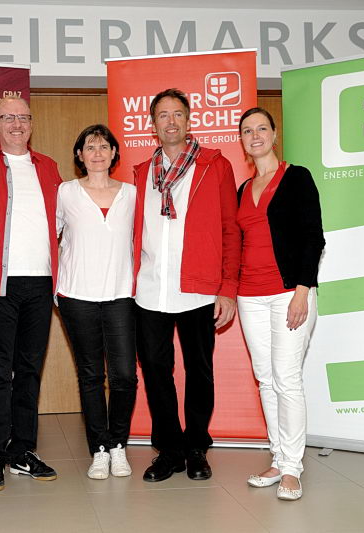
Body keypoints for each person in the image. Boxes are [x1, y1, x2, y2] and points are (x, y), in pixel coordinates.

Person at [132, 88, 241, 482]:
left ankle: (196, 447)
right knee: (155, 371)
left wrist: (227, 287)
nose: (171, 122)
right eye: (163, 115)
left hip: (198, 288)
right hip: (149, 289)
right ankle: (170, 451)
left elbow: (230, 229)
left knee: (199, 370)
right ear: (153, 123)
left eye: (178, 114)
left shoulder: (215, 165)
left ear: (189, 119)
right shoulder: (142, 172)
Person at [236, 107, 325, 501]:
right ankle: (278, 457)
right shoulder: (243, 189)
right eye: (247, 131)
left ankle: (292, 468)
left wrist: (303, 289)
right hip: (249, 295)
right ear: (242, 140)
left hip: (289, 291)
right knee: (266, 378)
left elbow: (313, 236)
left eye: (261, 128)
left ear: (274, 134)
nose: (254, 135)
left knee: (287, 379)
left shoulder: (297, 177)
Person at [0, 96, 62, 491]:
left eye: (23, 117)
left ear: (31, 124)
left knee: (29, 370)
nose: (16, 124)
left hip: (40, 283)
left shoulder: (49, 167)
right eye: (7, 118)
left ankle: (22, 450)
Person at [56, 124, 137, 480]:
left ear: (114, 153)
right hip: (77, 296)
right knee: (90, 376)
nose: (98, 153)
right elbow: (49, 238)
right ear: (79, 155)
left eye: (104, 146)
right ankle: (100, 450)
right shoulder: (65, 192)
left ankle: (118, 444)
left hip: (121, 296)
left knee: (124, 376)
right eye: (90, 147)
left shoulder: (132, 194)